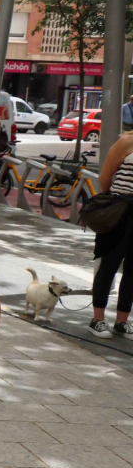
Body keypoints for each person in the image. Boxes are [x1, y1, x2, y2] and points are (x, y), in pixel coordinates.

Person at [89, 133, 133, 338]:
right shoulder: (126, 141)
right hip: (121, 210)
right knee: (110, 264)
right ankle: (97, 319)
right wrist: (112, 203)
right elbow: (105, 177)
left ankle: (122, 321)